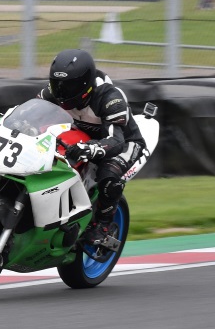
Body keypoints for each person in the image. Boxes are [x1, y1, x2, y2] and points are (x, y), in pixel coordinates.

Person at [38, 49, 146, 246]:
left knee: (108, 175)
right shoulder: (53, 93)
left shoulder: (110, 98)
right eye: (56, 84)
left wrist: (92, 148)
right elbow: (33, 110)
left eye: (68, 86)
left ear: (85, 84)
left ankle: (103, 227)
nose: (61, 91)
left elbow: (116, 140)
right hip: (83, 137)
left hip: (124, 143)